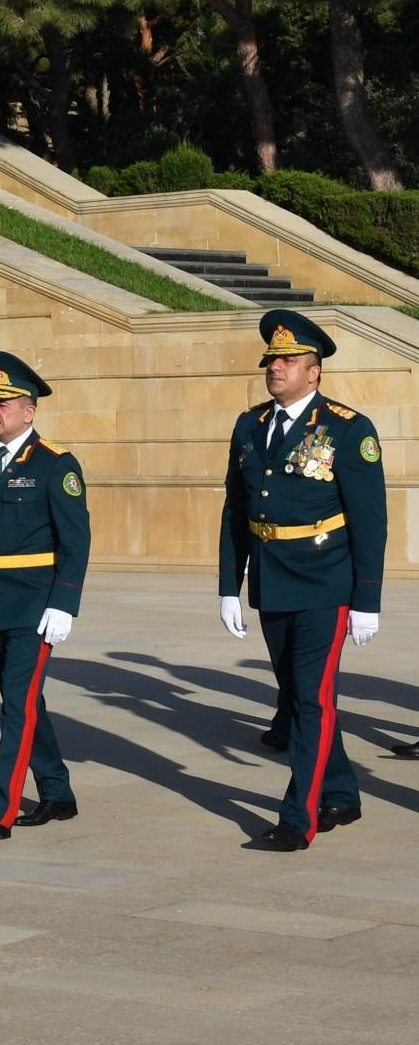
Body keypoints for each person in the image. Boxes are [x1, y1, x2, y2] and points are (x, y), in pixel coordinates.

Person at [217, 309, 386, 850]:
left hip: (324, 582)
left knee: (311, 700)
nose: (275, 367)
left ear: (314, 372)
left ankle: (299, 817)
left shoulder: (348, 428)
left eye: (288, 360)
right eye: (272, 359)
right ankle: (341, 792)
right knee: (297, 697)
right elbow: (236, 511)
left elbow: (370, 521)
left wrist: (367, 600)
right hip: (272, 581)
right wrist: (228, 586)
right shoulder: (250, 426)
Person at [0, 352, 89, 843]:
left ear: (29, 411)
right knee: (21, 700)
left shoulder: (54, 464)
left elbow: (75, 540)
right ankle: (57, 791)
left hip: (34, 604)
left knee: (16, 709)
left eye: (3, 404)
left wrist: (63, 603)